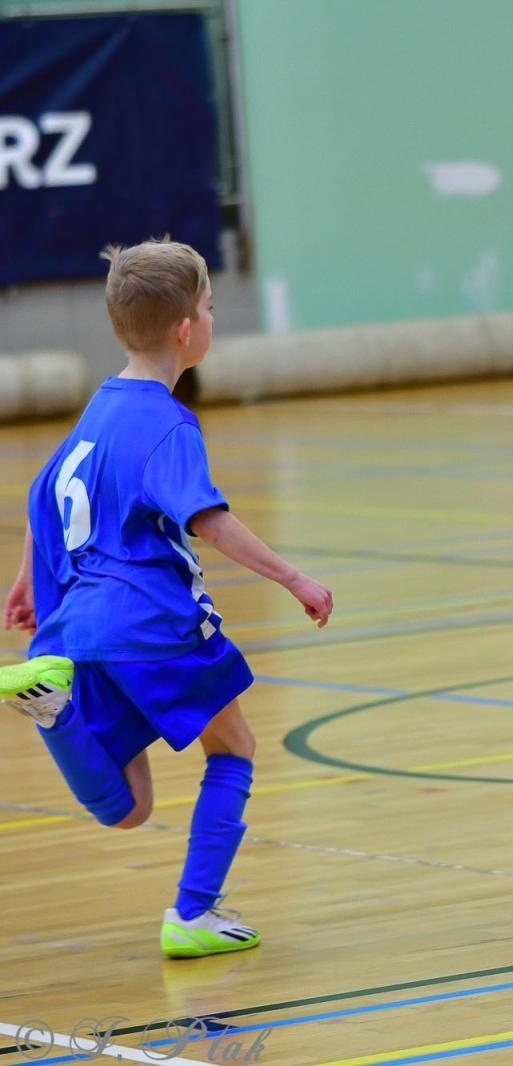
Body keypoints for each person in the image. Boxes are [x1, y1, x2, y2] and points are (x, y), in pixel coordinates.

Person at [0, 239, 334, 957]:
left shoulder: (101, 406)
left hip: (80, 631)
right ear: (187, 329)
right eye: (211, 307)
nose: (213, 318)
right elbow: (207, 519)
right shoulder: (167, 423)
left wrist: (29, 577)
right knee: (235, 746)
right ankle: (193, 914)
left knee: (129, 806)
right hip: (152, 621)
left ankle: (53, 711)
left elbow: (42, 492)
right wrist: (294, 578)